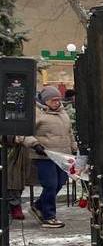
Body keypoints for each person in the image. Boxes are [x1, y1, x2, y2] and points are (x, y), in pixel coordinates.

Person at [22, 86, 76, 228]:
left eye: (58, 100)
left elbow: (69, 132)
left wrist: (74, 147)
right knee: (50, 184)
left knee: (60, 182)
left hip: (63, 155)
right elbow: (24, 133)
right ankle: (49, 216)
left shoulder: (62, 113)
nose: (57, 103)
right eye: (53, 100)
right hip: (45, 155)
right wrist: (35, 144)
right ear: (45, 101)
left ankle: (39, 206)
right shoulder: (36, 113)